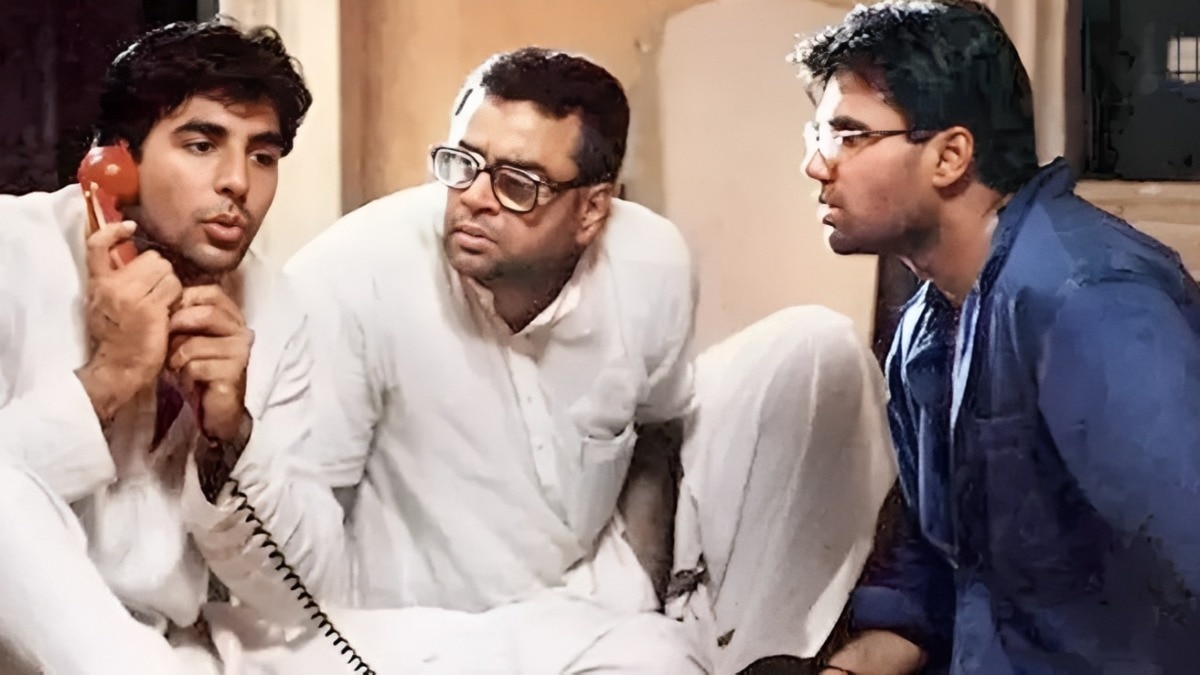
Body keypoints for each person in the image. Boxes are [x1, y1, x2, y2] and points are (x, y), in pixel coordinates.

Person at [286, 47, 896, 674]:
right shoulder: (354, 272)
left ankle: (757, 654)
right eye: (462, 163)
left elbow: (657, 433)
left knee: (818, 348)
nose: (474, 198)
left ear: (592, 210)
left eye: (517, 183)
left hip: (594, 601)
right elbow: (305, 512)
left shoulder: (650, 260)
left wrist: (644, 595)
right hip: (423, 632)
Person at [792, 1, 1200, 673]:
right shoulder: (926, 325)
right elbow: (940, 572)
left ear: (950, 155)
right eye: (818, 132)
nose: (816, 164)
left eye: (848, 135)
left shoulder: (1086, 302)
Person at [0, 18, 349, 674]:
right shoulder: (12, 253)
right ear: (115, 162)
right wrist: (109, 376)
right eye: (201, 144)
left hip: (169, 652)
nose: (237, 182)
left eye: (262, 156)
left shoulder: (276, 308)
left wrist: (230, 441)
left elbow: (313, 597)